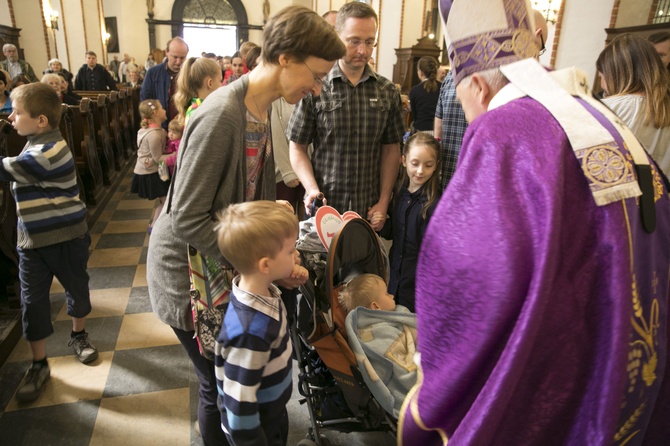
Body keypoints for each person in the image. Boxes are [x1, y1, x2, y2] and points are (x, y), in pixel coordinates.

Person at [399, 0, 670, 444]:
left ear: (480, 87)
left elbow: (461, 265)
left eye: (463, 95)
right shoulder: (603, 118)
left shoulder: (503, 131)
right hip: (622, 361)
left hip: (548, 378)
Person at [146, 7, 345, 445]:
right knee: (220, 390)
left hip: (222, 264)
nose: (315, 88)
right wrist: (253, 267)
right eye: (315, 75)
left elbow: (249, 201)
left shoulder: (261, 106)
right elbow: (186, 215)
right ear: (286, 58)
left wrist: (273, 258)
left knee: (230, 384)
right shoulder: (222, 114)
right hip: (188, 273)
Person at [2, 83, 98, 403]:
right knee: (33, 302)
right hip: (31, 242)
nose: (10, 116)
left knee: (76, 288)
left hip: (67, 238)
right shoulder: (32, 145)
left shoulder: (49, 152)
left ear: (41, 121)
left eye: (16, 112)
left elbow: (6, 169)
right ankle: (39, 364)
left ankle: (78, 335)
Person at [288, 2, 405, 230]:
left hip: (367, 209)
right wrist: (311, 188)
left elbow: (391, 149)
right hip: (324, 208)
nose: (363, 50)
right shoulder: (315, 86)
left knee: (365, 267)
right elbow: (297, 146)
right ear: (337, 37)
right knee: (319, 266)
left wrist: (384, 200)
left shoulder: (387, 91)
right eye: (354, 41)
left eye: (369, 42)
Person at [214, 200, 306, 445]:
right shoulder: (249, 332)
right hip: (256, 429)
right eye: (290, 251)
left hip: (271, 410)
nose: (296, 255)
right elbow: (239, 407)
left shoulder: (262, 292)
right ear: (265, 265)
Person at [377, 132, 441, 312]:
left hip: (419, 287)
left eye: (428, 165)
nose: (420, 171)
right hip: (395, 279)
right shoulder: (399, 193)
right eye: (415, 164)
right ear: (403, 160)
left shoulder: (434, 205)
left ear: (436, 166)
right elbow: (395, 233)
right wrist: (380, 224)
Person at [597, 34, 670, 178]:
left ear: (612, 73)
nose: (602, 84)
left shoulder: (607, 108)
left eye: (601, 76)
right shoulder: (665, 108)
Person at [130, 99, 169, 233]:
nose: (165, 110)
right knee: (166, 201)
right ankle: (155, 228)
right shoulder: (154, 134)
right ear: (156, 113)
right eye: (162, 108)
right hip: (150, 174)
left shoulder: (153, 130)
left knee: (165, 201)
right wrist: (176, 154)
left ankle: (154, 226)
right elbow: (158, 158)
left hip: (151, 170)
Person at [141, 37, 189, 129]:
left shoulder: (190, 74)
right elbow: (146, 100)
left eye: (182, 58)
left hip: (182, 128)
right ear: (166, 52)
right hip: (159, 127)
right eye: (175, 57)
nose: (178, 62)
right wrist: (155, 120)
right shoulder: (153, 73)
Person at [272, 97, 305, 218]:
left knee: (305, 211)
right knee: (284, 215)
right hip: (282, 173)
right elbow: (276, 136)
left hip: (306, 168)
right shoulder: (275, 100)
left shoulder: (307, 95)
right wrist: (287, 171)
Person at [173, 56, 222, 127]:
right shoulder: (202, 111)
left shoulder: (196, 108)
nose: (222, 86)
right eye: (220, 81)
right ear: (210, 83)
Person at [409, 56, 441, 133]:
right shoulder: (443, 87)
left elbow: (414, 115)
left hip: (421, 131)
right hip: (439, 132)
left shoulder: (415, 90)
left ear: (420, 72)